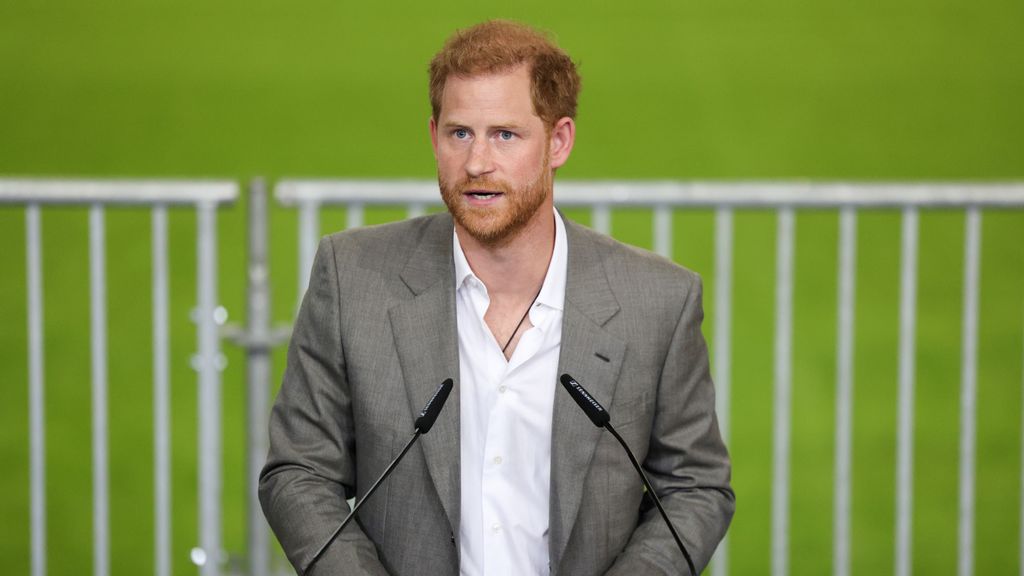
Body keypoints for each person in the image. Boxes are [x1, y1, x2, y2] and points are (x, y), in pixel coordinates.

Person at [259, 19, 734, 576]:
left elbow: (695, 487)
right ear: (432, 134)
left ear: (558, 141)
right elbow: (298, 472)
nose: (477, 163)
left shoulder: (659, 300)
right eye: (460, 133)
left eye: (504, 135)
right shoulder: (351, 278)